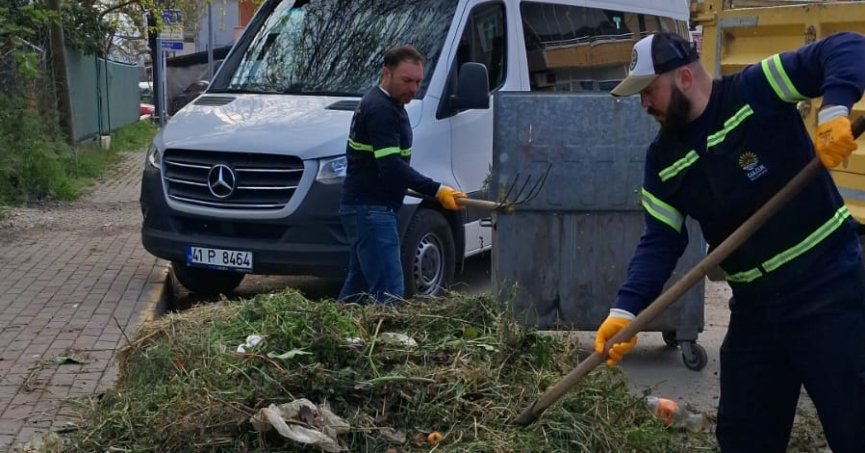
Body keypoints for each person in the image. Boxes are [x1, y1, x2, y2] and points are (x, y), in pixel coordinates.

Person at [593, 31, 865, 452]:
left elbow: (847, 46)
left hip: (829, 290)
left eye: (649, 91)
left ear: (684, 77)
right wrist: (625, 310)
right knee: (744, 437)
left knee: (855, 428)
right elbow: (660, 241)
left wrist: (833, 110)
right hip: (757, 310)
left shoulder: (756, 89)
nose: (644, 104)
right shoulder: (663, 160)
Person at [339, 45, 466, 305]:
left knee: (359, 287)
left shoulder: (388, 104)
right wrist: (436, 190)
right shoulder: (381, 110)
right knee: (389, 290)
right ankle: (382, 340)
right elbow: (392, 167)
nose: (412, 88)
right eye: (406, 80)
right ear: (387, 73)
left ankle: (329, 335)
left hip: (366, 208)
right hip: (371, 210)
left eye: (418, 82)